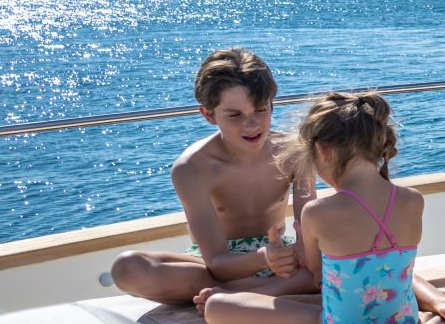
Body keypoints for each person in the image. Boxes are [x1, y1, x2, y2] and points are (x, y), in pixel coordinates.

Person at [196, 91, 445, 324]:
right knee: (384, 266)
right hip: (403, 322)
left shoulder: (317, 212)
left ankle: (233, 299)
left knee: (217, 308)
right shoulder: (413, 200)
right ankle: (442, 303)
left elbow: (316, 277)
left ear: (323, 151)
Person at [109, 48, 315, 304]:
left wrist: (299, 251)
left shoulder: (294, 152)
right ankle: (276, 289)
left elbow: (310, 228)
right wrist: (266, 257)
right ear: (208, 115)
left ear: (272, 104)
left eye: (260, 110)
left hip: (281, 258)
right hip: (218, 265)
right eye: (235, 115)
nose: (252, 125)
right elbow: (217, 263)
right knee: (127, 268)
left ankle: (241, 294)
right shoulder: (193, 168)